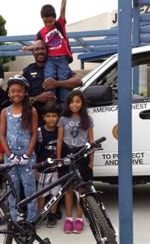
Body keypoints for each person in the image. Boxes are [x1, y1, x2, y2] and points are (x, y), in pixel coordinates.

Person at [23, 0, 72, 106]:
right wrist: (28, 48)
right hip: (50, 59)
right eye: (46, 22)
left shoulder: (59, 24)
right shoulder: (41, 32)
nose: (49, 24)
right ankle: (51, 105)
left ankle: (63, 105)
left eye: (50, 21)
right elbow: (38, 45)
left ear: (54, 18)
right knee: (49, 80)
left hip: (62, 59)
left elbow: (63, 7)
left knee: (63, 80)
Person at [0, 75, 38, 222]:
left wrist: (27, 155)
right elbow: (2, 135)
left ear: (25, 92)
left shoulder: (31, 111)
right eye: (13, 91)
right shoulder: (5, 112)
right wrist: (10, 155)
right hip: (11, 156)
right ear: (8, 93)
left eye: (19, 91)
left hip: (27, 156)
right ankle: (15, 219)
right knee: (12, 188)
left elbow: (34, 134)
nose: (16, 94)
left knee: (29, 188)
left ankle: (32, 219)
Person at [56, 90, 95, 234]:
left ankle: (79, 219)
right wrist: (59, 159)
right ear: (68, 104)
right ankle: (68, 218)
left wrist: (91, 161)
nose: (75, 104)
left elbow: (91, 141)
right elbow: (59, 140)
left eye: (78, 101)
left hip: (82, 156)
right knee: (68, 189)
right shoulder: (63, 119)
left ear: (82, 103)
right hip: (67, 155)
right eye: (72, 102)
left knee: (81, 189)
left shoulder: (88, 119)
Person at [23, 40, 82, 125]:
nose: (40, 51)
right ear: (33, 52)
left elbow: (78, 81)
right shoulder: (28, 70)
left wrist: (56, 83)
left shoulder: (58, 66)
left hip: (59, 119)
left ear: (47, 50)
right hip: (37, 120)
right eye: (36, 49)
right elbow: (19, 98)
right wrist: (37, 98)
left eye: (42, 49)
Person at [35, 102, 61, 228]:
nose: (51, 119)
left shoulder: (59, 131)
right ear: (43, 117)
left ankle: (52, 215)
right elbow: (35, 151)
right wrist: (36, 169)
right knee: (41, 194)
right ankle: (41, 215)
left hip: (56, 169)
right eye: (48, 116)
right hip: (43, 169)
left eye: (54, 116)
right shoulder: (39, 131)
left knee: (55, 194)